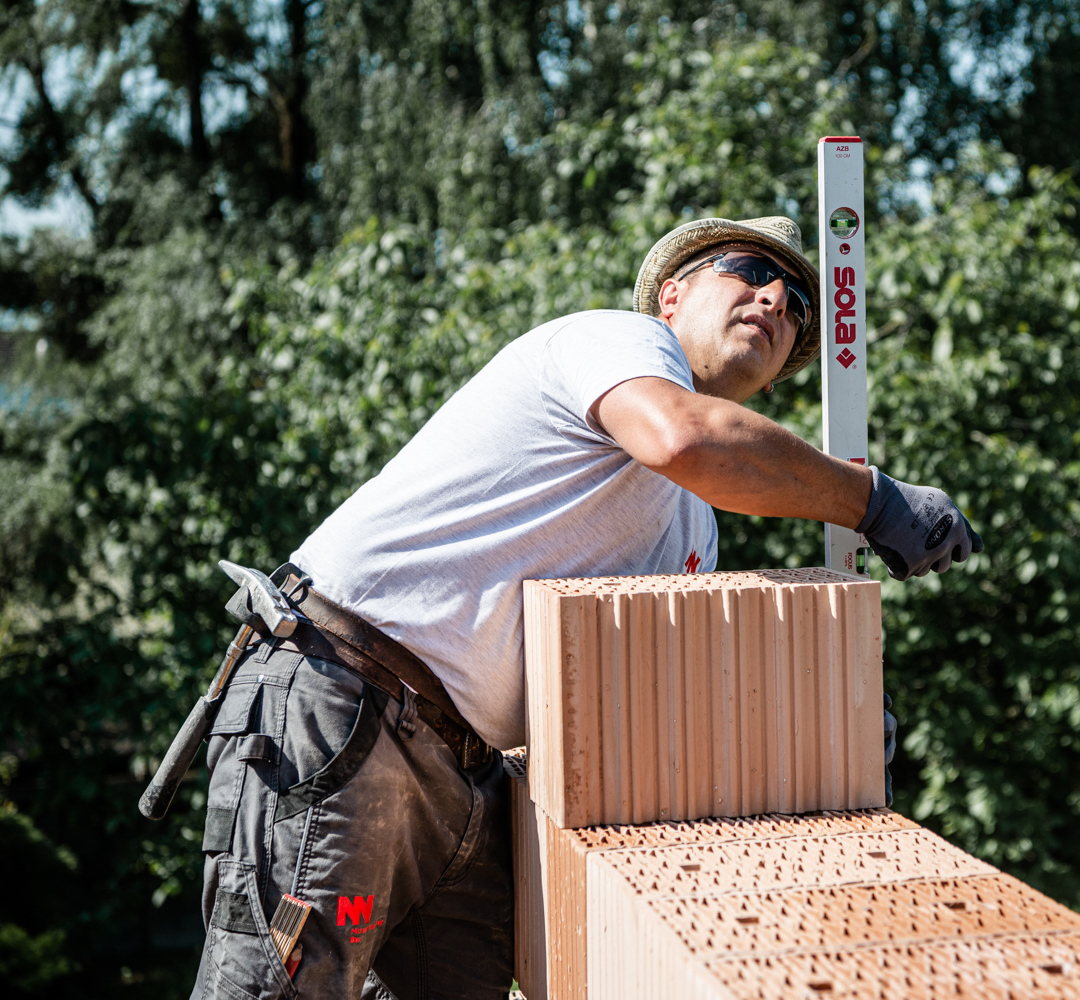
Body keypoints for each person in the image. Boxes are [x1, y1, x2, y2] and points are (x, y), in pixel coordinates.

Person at [187, 216, 982, 999]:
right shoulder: (617, 343)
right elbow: (682, 438)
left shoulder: (693, 522)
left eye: (799, 306)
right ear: (671, 297)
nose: (777, 301)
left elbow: (659, 687)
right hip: (345, 709)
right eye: (748, 270)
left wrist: (813, 716)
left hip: (463, 775)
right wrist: (871, 500)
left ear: (773, 384)